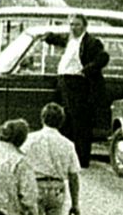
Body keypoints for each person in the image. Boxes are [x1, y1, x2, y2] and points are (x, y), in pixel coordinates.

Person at [21, 102, 82, 215]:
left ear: (42, 118)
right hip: (57, 189)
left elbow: (21, 165)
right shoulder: (67, 144)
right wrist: (75, 203)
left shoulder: (30, 140)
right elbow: (73, 175)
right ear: (61, 121)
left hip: (36, 186)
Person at [43, 15, 110, 166]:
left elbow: (103, 58)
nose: (73, 28)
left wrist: (86, 70)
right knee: (66, 122)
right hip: (64, 82)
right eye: (71, 25)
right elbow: (58, 40)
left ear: (84, 27)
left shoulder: (91, 42)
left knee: (80, 123)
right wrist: (48, 36)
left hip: (78, 84)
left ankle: (81, 159)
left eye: (77, 25)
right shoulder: (70, 40)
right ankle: (68, 158)